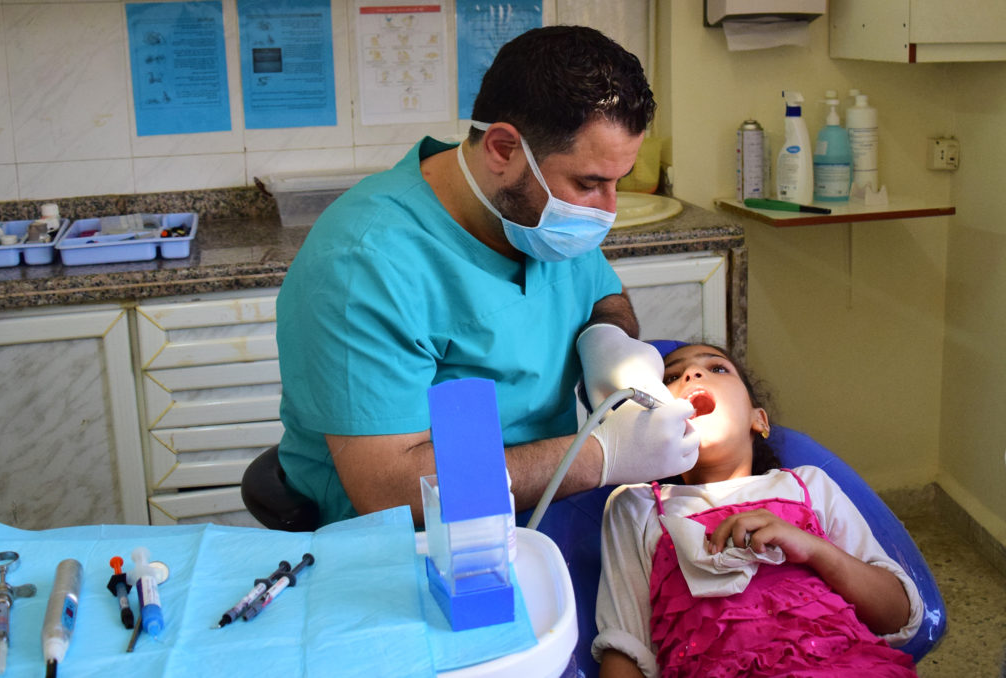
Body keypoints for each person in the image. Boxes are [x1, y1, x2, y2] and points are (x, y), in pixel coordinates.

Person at [274, 25, 700, 527]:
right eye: (590, 183)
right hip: (413, 544)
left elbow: (601, 292)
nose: (606, 210)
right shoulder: (365, 264)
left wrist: (607, 337)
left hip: (543, 511)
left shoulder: (538, 219)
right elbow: (389, 490)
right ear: (502, 148)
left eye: (616, 183)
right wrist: (600, 456)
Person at [594, 343, 923, 677]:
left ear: (758, 419)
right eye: (672, 376)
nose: (692, 375)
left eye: (717, 368)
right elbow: (625, 649)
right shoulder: (636, 507)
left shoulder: (808, 485)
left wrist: (812, 548)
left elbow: (897, 616)